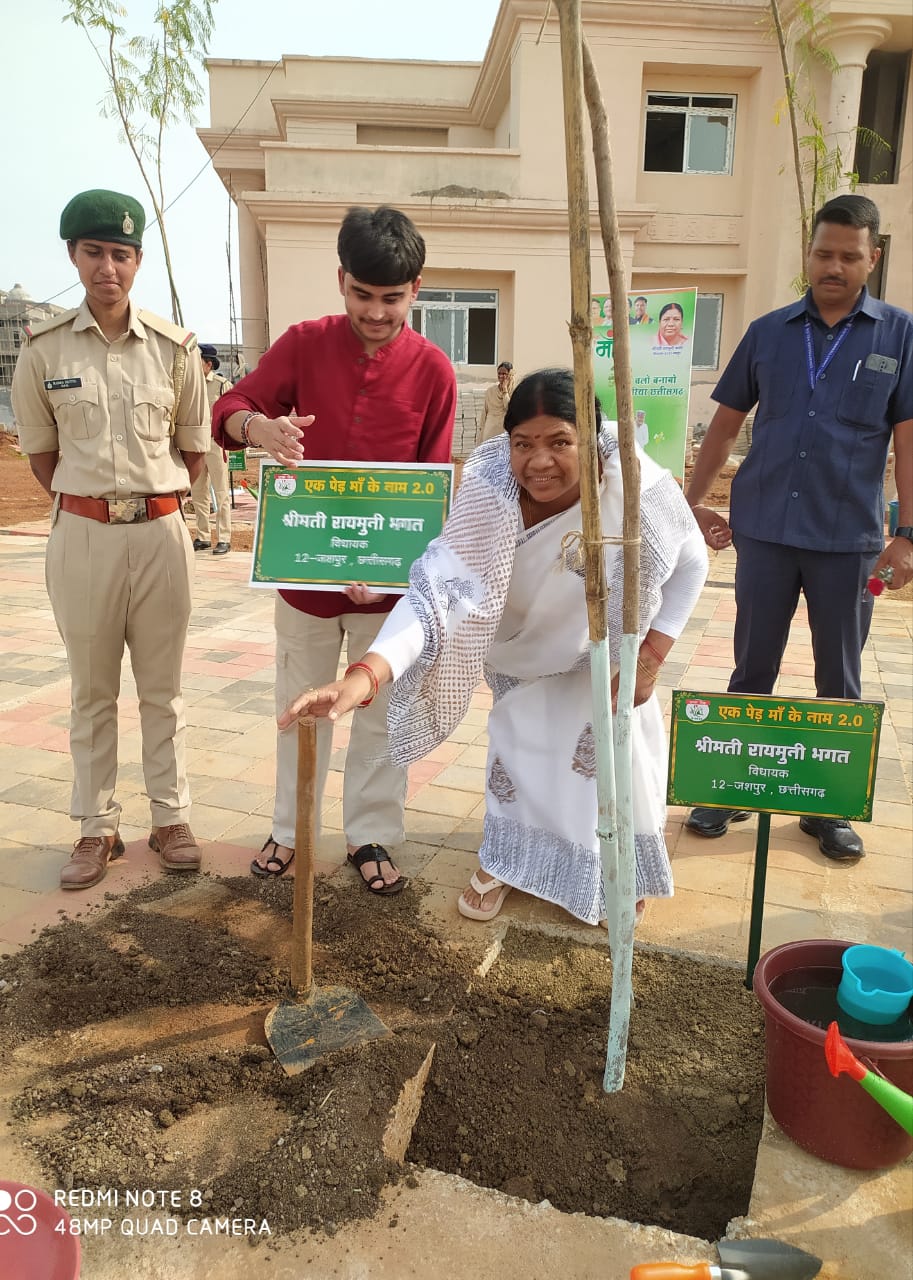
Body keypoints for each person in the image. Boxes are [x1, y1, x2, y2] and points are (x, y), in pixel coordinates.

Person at [279, 368, 708, 926]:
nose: (539, 461)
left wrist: (649, 657)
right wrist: (362, 677)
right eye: (522, 444)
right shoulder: (490, 489)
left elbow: (691, 561)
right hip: (521, 658)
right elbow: (437, 590)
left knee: (607, 762)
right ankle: (507, 861)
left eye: (559, 442)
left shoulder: (632, 484)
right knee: (521, 757)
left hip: (603, 657)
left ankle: (613, 868)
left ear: (591, 440)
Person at [211, 205, 457, 890]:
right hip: (303, 579)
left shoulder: (433, 371)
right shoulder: (301, 344)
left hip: (388, 590)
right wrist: (261, 430)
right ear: (341, 279)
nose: (376, 313)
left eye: (392, 298)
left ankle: (371, 834)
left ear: (416, 288)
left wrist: (385, 576)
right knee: (296, 711)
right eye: (362, 295)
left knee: (380, 715)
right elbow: (226, 411)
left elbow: (430, 493)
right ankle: (290, 831)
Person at [684, 194, 913, 862]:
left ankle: (828, 806)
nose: (833, 266)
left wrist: (907, 534)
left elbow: (906, 439)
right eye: (822, 253)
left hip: (848, 540)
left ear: (871, 257)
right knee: (750, 662)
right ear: (807, 255)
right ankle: (727, 787)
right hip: (763, 531)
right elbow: (725, 424)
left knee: (837, 675)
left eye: (848, 254)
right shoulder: (768, 331)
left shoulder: (896, 335)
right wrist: (690, 502)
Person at [11, 189, 210, 889]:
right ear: (73, 255)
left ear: (138, 260)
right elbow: (42, 456)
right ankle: (97, 828)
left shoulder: (176, 351)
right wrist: (94, 505)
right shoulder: (42, 351)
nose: (108, 267)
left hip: (161, 534)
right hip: (84, 538)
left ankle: (171, 816)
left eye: (121, 254)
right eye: (94, 252)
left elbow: (194, 450)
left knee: (165, 690)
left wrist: (152, 505)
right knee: (91, 691)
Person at [191, 343, 233, 555]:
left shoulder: (221, 385)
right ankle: (203, 536)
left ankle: (224, 538)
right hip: (196, 446)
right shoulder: (190, 385)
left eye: (198, 360)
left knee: (221, 492)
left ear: (208, 364)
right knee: (199, 493)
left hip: (216, 445)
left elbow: (232, 413)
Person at [479, 361, 515, 441]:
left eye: (504, 374)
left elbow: (509, 408)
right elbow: (485, 411)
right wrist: (481, 430)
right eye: (499, 373)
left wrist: (505, 391)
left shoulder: (514, 392)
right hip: (490, 428)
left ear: (510, 375)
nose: (501, 376)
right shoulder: (490, 391)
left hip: (504, 429)